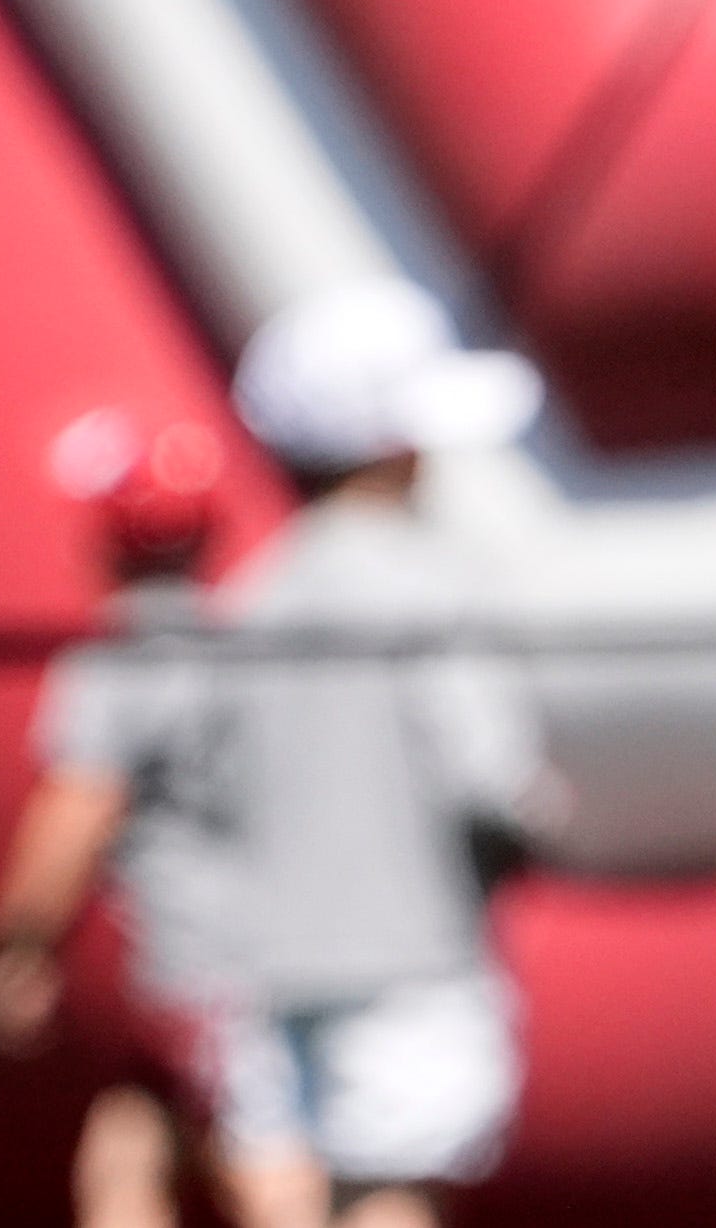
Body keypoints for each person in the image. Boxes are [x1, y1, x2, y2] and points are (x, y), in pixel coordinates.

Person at [213, 278, 565, 1228]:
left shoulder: (252, 599)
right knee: (390, 1199)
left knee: (284, 1195)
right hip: (413, 960)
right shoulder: (435, 585)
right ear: (394, 444)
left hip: (265, 965)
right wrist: (547, 822)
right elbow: (490, 780)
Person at [0, 408, 246, 1228]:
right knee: (125, 1156)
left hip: (204, 970)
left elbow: (78, 808)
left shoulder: (119, 667)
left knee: (265, 1177)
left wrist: (16, 948)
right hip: (265, 956)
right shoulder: (256, 653)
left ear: (104, 541)